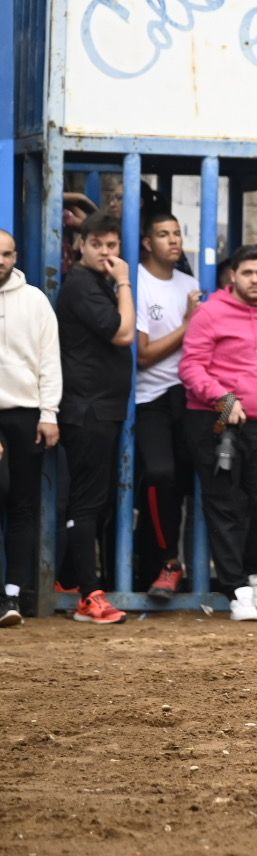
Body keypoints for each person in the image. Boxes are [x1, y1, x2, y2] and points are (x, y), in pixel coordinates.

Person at [181, 245, 257, 623]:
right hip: (216, 420)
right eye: (248, 273)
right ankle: (237, 589)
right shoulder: (210, 313)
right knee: (224, 504)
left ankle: (253, 573)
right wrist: (224, 401)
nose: (255, 280)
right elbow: (191, 368)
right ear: (233, 276)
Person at [55, 212, 135, 626]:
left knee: (96, 501)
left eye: (113, 246)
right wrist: (124, 280)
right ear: (80, 246)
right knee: (87, 504)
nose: (107, 253)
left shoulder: (95, 283)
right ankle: (88, 597)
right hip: (87, 409)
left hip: (102, 408)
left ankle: (69, 578)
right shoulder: (83, 285)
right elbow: (123, 333)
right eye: (98, 245)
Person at [134, 210, 201, 600]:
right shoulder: (140, 283)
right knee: (159, 475)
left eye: (177, 233)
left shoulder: (190, 283)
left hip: (190, 397)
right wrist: (187, 326)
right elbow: (142, 355)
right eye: (163, 234)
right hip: (150, 398)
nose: (173, 241)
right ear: (147, 242)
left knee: (199, 479)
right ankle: (166, 561)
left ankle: (186, 569)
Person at [0, 229, 60, 626]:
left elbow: (48, 359)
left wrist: (49, 413)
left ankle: (12, 596)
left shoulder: (35, 300)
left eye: (6, 254)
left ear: (16, 256)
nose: (0, 261)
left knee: (22, 505)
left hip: (25, 414)